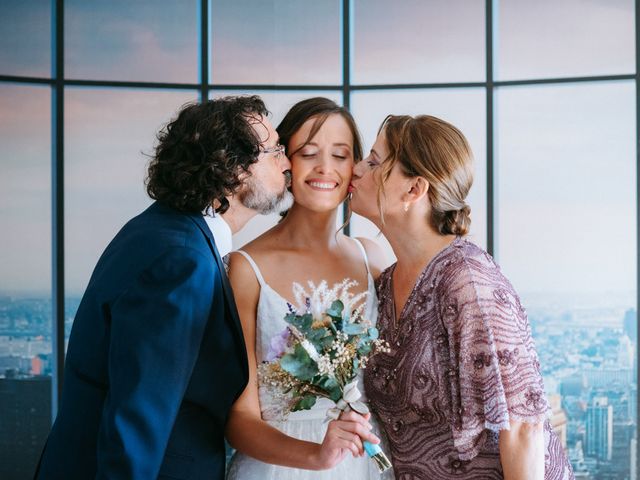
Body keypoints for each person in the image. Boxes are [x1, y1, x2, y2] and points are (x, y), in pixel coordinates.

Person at [34, 96, 295, 479]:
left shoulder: (165, 232)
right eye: (275, 151)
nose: (287, 162)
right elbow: (138, 417)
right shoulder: (181, 259)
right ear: (234, 171)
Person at [352, 114, 574, 479]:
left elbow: (522, 428)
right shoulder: (385, 283)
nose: (357, 170)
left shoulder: (467, 280)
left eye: (374, 162)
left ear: (413, 190)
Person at [224, 97, 392, 480]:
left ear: (355, 167)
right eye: (308, 153)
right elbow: (239, 419)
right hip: (279, 469)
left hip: (366, 463)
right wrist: (317, 456)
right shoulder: (246, 269)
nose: (325, 168)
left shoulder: (373, 259)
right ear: (286, 161)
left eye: (340, 154)